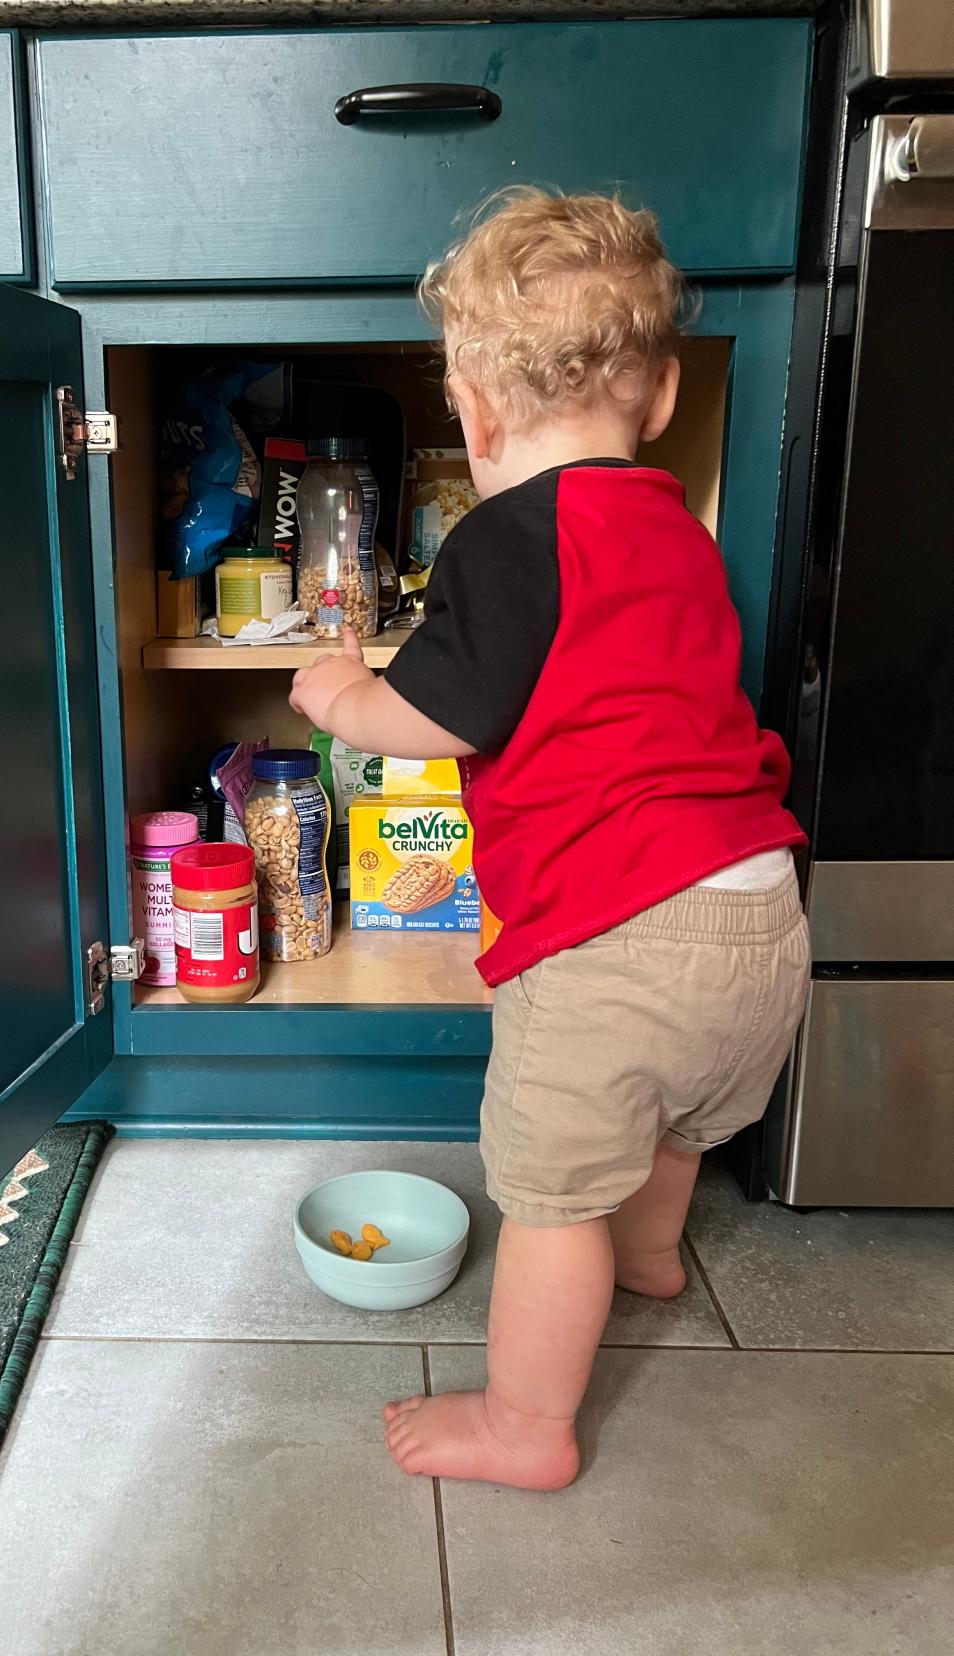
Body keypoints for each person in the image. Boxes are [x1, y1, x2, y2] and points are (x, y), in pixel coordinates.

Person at [288, 189, 810, 1491]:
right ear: (661, 397)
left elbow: (441, 717)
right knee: (674, 1122)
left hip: (615, 936)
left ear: (471, 411)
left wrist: (338, 692)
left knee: (548, 1197)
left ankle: (526, 1426)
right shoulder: (676, 537)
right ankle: (649, 1260)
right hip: (756, 909)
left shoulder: (509, 536)